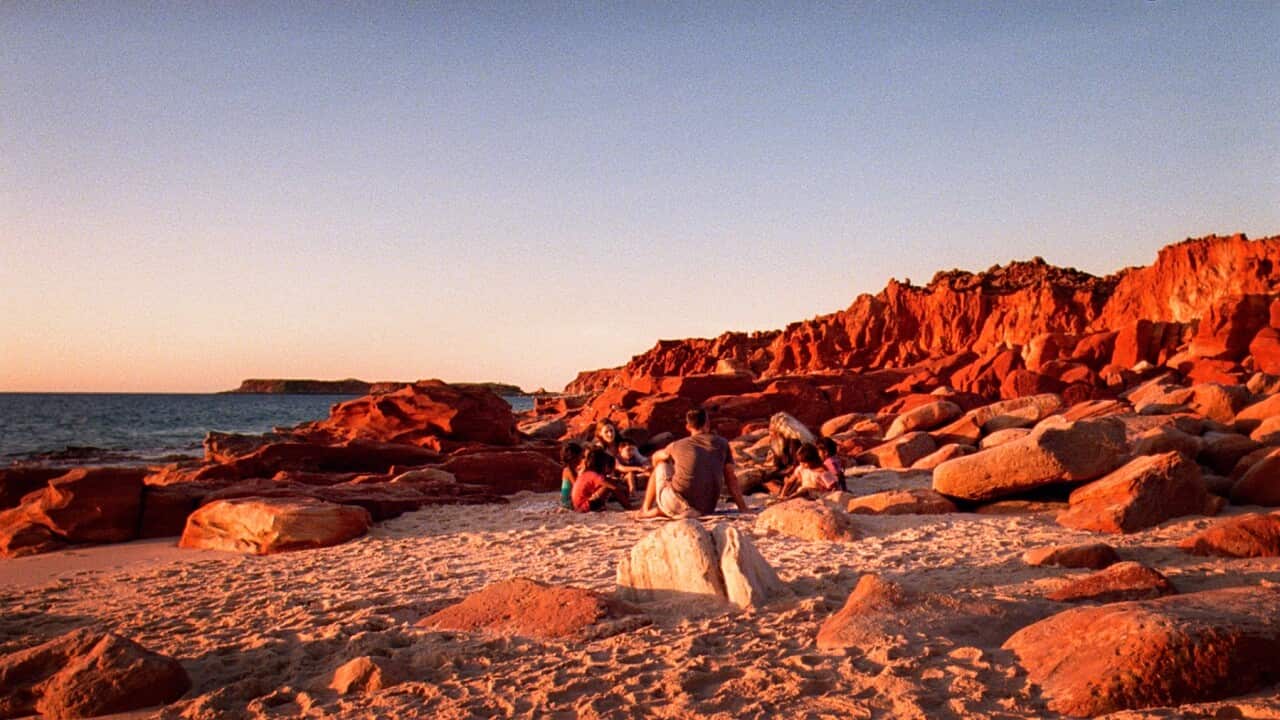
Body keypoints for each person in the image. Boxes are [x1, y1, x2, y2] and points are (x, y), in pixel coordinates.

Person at [636, 408, 749, 519]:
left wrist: (658, 463)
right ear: (707, 424)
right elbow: (731, 478)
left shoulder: (677, 445)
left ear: (688, 427)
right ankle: (665, 510)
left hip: (677, 503)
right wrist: (743, 508)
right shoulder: (722, 443)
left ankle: (645, 510)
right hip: (706, 508)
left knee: (661, 466)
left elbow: (656, 456)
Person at [572, 446, 633, 512]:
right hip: (583, 506)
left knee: (612, 483)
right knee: (611, 486)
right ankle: (628, 506)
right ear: (603, 465)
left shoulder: (588, 473)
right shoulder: (594, 475)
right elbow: (613, 487)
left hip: (579, 505)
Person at [559, 442, 585, 509]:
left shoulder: (574, 468)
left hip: (570, 500)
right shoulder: (568, 470)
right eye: (581, 456)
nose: (582, 459)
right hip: (568, 502)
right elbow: (577, 486)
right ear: (574, 457)